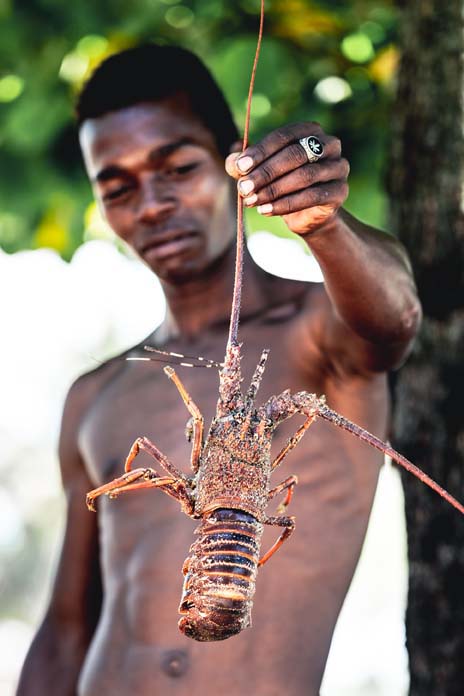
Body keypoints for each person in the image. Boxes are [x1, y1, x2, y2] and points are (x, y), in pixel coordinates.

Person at [17, 44, 421, 696]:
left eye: (176, 167)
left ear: (232, 161)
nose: (150, 204)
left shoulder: (319, 333)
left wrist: (326, 224)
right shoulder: (97, 392)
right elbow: (67, 632)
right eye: (116, 187)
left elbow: (394, 316)